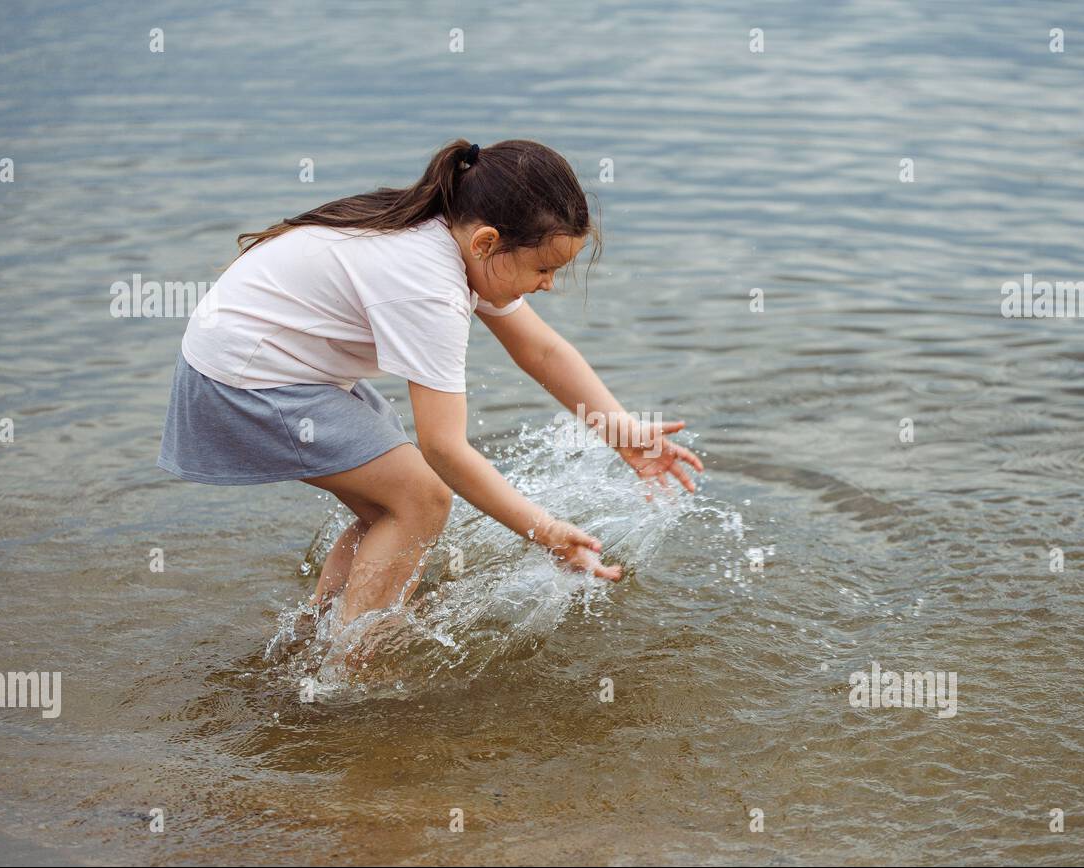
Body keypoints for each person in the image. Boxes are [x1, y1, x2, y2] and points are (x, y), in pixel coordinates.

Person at [157, 138, 704, 630]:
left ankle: (315, 637)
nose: (549, 284)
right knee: (420, 499)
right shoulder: (428, 286)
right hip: (247, 378)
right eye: (544, 268)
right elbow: (444, 449)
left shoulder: (453, 238)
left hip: (273, 361)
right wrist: (547, 532)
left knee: (388, 510)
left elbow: (540, 350)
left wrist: (620, 430)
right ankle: (351, 673)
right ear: (489, 241)